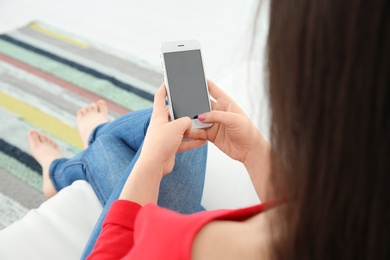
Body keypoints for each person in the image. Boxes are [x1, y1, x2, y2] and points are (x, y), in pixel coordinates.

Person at [29, 0, 389, 259]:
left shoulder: (192, 244)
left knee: (152, 137)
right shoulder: (344, 229)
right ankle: (92, 142)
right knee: (176, 131)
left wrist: (150, 164)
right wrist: (253, 153)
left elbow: (118, 246)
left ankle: (66, 164)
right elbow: (307, 220)